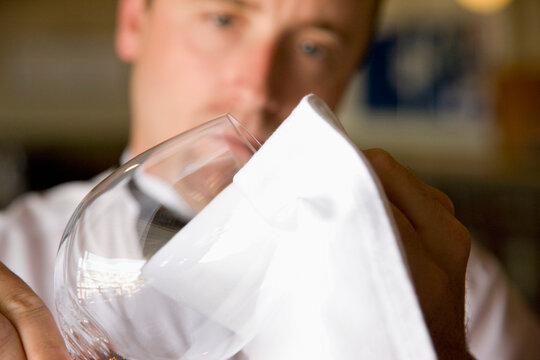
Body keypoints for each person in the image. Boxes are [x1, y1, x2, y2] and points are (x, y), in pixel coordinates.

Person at [0, 0, 538, 359]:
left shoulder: (457, 291)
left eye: (313, 47)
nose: (258, 87)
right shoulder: (13, 260)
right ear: (134, 23)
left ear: (347, 80)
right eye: (224, 19)